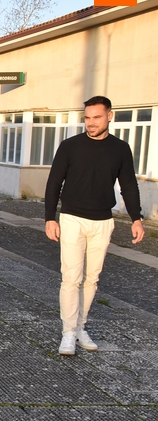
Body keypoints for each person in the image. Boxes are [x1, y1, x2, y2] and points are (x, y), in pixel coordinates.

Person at [44, 95, 144, 355]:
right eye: (87, 118)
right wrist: (49, 217)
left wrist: (136, 218)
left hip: (103, 221)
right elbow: (54, 182)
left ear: (110, 116)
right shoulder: (69, 146)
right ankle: (68, 332)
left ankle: (80, 327)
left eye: (97, 117)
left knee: (92, 279)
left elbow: (128, 185)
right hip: (72, 219)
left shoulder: (120, 149)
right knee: (71, 278)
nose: (90, 123)